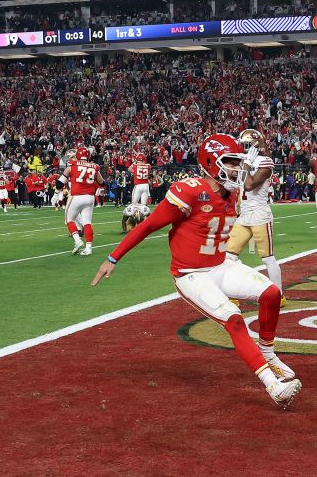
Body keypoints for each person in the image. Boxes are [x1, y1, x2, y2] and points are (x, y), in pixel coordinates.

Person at [92, 134, 302, 409]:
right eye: (230, 162)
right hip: (191, 274)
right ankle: (272, 386)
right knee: (234, 319)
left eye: (238, 163)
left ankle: (267, 352)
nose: (238, 169)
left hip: (221, 265)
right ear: (209, 162)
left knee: (272, 294)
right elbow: (148, 225)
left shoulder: (234, 192)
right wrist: (113, 258)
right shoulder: (189, 191)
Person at [226, 129, 284, 293]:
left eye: (247, 146)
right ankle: (232, 292)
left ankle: (279, 294)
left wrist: (246, 164)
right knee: (228, 256)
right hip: (243, 215)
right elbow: (235, 185)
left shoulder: (265, 162)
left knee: (267, 258)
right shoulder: (241, 161)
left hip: (259, 215)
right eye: (242, 145)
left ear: (256, 146)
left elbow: (250, 184)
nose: (243, 149)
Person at [58, 147, 104, 256]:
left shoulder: (72, 166)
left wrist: (56, 193)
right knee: (87, 223)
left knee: (69, 220)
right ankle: (89, 248)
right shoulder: (95, 167)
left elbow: (60, 183)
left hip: (77, 196)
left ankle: (77, 241)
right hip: (90, 198)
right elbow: (102, 183)